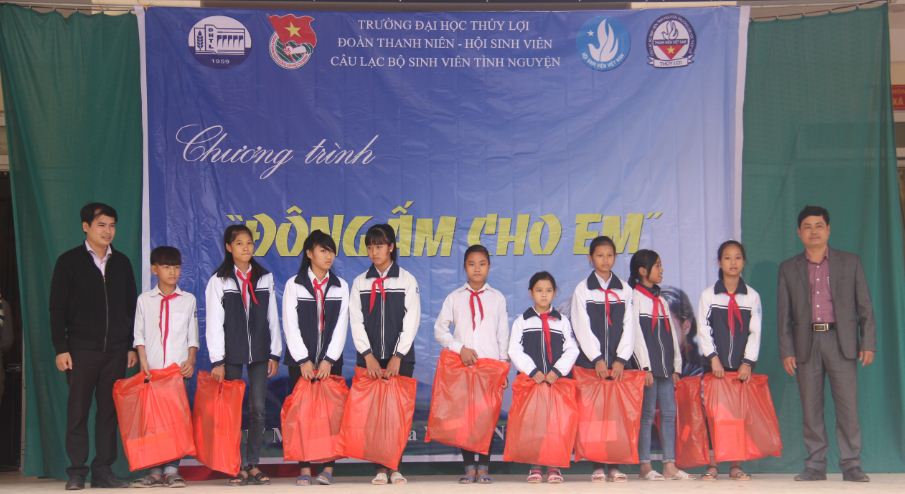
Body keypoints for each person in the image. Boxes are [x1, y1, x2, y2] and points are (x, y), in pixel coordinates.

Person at [777, 205, 875, 482]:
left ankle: (851, 464)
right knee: (811, 407)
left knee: (848, 407)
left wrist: (868, 342)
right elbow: (784, 315)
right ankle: (815, 465)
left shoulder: (850, 262)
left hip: (841, 342)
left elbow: (865, 307)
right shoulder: (788, 268)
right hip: (806, 344)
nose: (814, 231)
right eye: (807, 227)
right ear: (799, 233)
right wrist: (786, 350)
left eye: (819, 226)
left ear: (828, 230)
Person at [50, 202, 137, 490]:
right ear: (85, 227)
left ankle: (103, 471)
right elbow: (57, 308)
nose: (107, 231)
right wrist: (61, 348)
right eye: (101, 225)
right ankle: (76, 471)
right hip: (80, 351)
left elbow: (130, 307)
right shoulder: (69, 261)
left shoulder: (122, 263)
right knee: (78, 411)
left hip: (115, 351)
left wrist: (130, 346)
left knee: (108, 413)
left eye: (112, 226)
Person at [205, 224, 282, 486]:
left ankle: (253, 463)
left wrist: (275, 352)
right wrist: (218, 360)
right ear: (229, 247)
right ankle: (235, 465)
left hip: (260, 352)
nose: (246, 248)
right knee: (232, 412)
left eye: (249, 243)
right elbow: (214, 323)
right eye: (239, 243)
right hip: (231, 355)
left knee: (258, 409)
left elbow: (272, 316)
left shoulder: (264, 277)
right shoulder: (219, 280)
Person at [349, 224, 420, 485]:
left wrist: (398, 355)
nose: (374, 252)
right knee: (374, 416)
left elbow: (411, 321)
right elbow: (355, 321)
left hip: (399, 359)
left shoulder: (407, 280)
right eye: (370, 247)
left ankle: (395, 466)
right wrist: (367, 355)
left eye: (379, 246)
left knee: (396, 414)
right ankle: (379, 468)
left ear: (390, 247)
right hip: (369, 359)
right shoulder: (360, 282)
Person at [434, 244, 509, 484]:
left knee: (486, 418)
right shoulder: (455, 297)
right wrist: (460, 348)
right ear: (465, 267)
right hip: (463, 367)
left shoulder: (497, 298)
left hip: (490, 368)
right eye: (472, 264)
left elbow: (503, 334)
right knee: (465, 417)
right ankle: (468, 467)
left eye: (482, 264)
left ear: (489, 267)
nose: (477, 269)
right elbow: (440, 330)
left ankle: (484, 467)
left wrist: (503, 366)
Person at [282, 230, 349, 486]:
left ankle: (328, 467)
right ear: (309, 253)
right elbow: (290, 324)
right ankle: (304, 467)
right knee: (302, 415)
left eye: (331, 251)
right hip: (301, 364)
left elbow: (342, 325)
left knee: (331, 415)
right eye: (322, 250)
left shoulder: (341, 286)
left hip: (330, 362)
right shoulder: (294, 284)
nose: (328, 256)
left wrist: (329, 359)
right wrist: (303, 359)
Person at [131, 246, 199, 488]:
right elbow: (139, 335)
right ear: (154, 269)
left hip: (176, 373)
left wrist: (190, 361)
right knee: (152, 423)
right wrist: (143, 363)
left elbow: (192, 336)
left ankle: (172, 470)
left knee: (175, 422)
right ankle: (154, 471)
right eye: (167, 267)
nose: (172, 272)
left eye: (176, 267)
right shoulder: (144, 300)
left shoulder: (188, 300)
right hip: (152, 372)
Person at [696, 240, 762, 481]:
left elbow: (755, 332)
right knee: (713, 415)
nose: (733, 262)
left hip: (740, 368)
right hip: (715, 366)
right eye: (727, 257)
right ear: (719, 262)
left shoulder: (752, 296)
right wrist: (713, 358)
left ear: (744, 262)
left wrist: (747, 362)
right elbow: (703, 329)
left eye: (737, 257)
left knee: (737, 415)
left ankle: (736, 465)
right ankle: (712, 465)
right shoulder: (708, 295)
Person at [570, 236, 633, 483]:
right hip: (592, 365)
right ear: (590, 258)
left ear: (615, 257)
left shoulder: (624, 289)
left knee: (615, 414)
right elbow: (581, 326)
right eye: (599, 255)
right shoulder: (583, 290)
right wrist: (596, 357)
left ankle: (614, 465)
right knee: (595, 415)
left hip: (617, 365)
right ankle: (597, 464)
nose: (605, 260)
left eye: (609, 255)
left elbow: (630, 326)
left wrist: (621, 359)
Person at [508, 271, 579, 484]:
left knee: (555, 425)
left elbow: (572, 349)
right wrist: (532, 371)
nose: (544, 294)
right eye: (539, 290)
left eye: (548, 290)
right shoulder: (522, 321)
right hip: (533, 383)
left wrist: (557, 371)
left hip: (556, 383)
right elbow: (514, 350)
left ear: (555, 292)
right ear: (531, 293)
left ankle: (554, 466)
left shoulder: (562, 321)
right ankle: (535, 466)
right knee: (534, 425)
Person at [629, 249, 694, 481]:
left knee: (668, 414)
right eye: (657, 265)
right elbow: (636, 336)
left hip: (666, 367)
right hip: (648, 368)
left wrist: (676, 366)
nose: (661, 270)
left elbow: (672, 337)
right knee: (646, 416)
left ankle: (669, 464)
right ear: (642, 271)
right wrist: (644, 368)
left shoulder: (662, 301)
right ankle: (645, 465)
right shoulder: (634, 298)